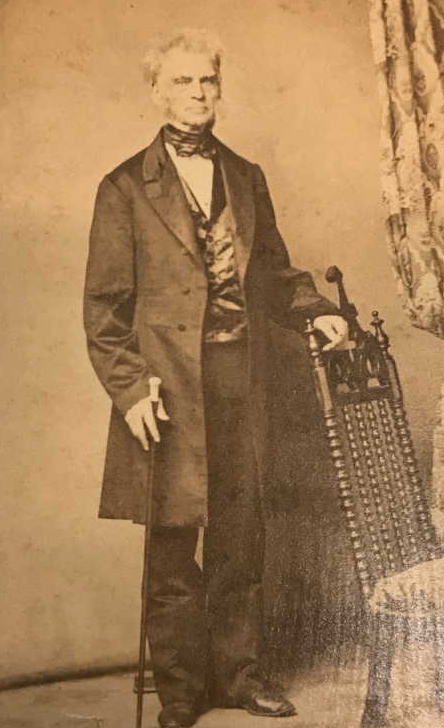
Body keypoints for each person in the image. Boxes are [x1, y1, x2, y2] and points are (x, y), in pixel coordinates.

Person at [83, 29, 348, 728]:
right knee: (172, 547)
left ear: (219, 88)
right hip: (166, 390)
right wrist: (131, 387)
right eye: (182, 82)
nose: (198, 93)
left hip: (241, 380)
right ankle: (179, 693)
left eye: (207, 81)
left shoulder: (246, 175)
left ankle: (238, 676)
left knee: (239, 537)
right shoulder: (123, 187)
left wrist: (315, 311)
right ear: (156, 92)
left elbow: (274, 273)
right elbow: (104, 311)